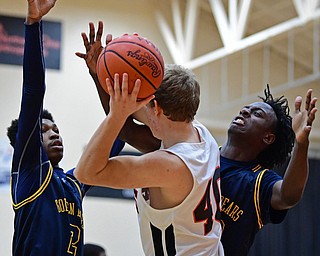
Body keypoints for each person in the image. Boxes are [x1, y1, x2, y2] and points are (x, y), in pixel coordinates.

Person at [6, 1, 124, 255]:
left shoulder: (74, 181)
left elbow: (117, 135)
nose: (54, 133)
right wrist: (33, 24)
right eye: (44, 130)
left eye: (56, 129)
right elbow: (33, 91)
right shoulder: (31, 173)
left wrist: (99, 76)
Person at [74, 63, 224, 255]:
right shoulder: (199, 133)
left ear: (157, 108)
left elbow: (86, 172)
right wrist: (100, 70)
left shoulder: (170, 165)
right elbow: (127, 126)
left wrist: (115, 115)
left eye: (145, 104)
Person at [219, 85, 317, 255]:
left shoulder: (258, 181)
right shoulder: (204, 154)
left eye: (257, 114)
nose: (244, 112)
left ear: (268, 138)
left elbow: (289, 196)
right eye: (245, 109)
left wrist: (301, 144)